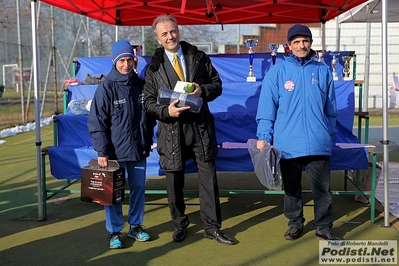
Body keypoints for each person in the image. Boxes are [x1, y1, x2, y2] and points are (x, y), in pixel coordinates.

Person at [143, 14, 235, 245]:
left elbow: (217, 85)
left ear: (178, 31)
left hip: (200, 128)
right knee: (174, 184)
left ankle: (212, 228)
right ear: (158, 38)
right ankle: (179, 225)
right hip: (171, 131)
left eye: (172, 31)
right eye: (164, 34)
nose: (170, 36)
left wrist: (202, 91)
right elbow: (148, 103)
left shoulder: (198, 56)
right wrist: (167, 112)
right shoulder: (153, 68)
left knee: (208, 180)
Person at [255, 24, 340, 241]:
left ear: (311, 43)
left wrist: (328, 133)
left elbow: (330, 108)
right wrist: (264, 136)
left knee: (322, 190)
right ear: (289, 46)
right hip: (287, 143)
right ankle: (295, 223)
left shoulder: (322, 71)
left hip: (318, 141)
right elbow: (267, 108)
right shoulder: (277, 72)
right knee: (292, 188)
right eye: (296, 42)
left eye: (305, 41)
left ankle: (324, 226)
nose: (301, 45)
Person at [88, 39, 156, 249]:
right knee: (112, 193)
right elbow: (97, 123)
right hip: (114, 154)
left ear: (134, 61)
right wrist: (102, 152)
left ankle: (135, 226)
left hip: (138, 150)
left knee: (138, 188)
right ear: (114, 61)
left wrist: (147, 139)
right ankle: (114, 232)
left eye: (129, 60)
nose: (126, 64)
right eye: (122, 60)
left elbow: (150, 117)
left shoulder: (141, 86)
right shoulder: (106, 89)